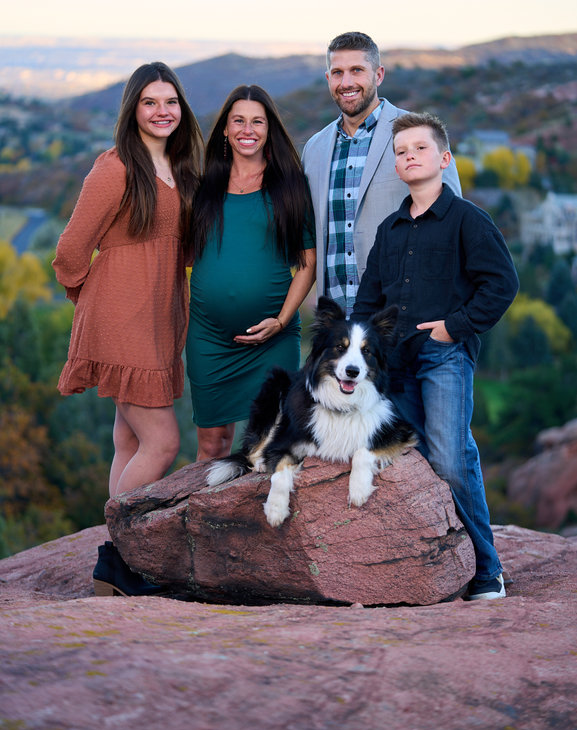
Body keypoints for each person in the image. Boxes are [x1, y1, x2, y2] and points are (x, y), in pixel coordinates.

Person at [352, 112, 519, 600]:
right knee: (415, 461)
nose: (409, 157)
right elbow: (367, 302)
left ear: (444, 159)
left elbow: (501, 284)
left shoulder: (467, 219)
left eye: (419, 149)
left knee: (450, 456)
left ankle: (487, 571)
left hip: (444, 356)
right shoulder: (390, 229)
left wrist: (455, 327)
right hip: (394, 365)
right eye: (401, 152)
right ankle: (442, 568)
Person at [53, 62, 203, 595]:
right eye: (149, 102)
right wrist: (90, 297)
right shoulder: (115, 167)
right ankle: (118, 556)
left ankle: (115, 569)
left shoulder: (182, 167)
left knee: (129, 439)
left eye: (170, 102)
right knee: (162, 442)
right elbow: (71, 250)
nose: (162, 112)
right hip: (122, 318)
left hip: (160, 320)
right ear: (132, 110)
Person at [186, 84, 316, 461]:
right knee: (212, 445)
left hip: (273, 338)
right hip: (209, 338)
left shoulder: (290, 185)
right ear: (225, 129)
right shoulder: (203, 185)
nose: (248, 129)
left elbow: (307, 264)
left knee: (274, 438)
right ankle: (206, 518)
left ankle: (267, 517)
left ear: (269, 128)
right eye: (238, 120)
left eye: (257, 121)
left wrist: (281, 320)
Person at [302, 31, 462, 317]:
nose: (346, 82)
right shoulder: (314, 150)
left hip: (407, 321)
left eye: (357, 71)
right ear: (328, 79)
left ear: (378, 74)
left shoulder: (419, 136)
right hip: (340, 330)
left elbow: (453, 224)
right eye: (337, 72)